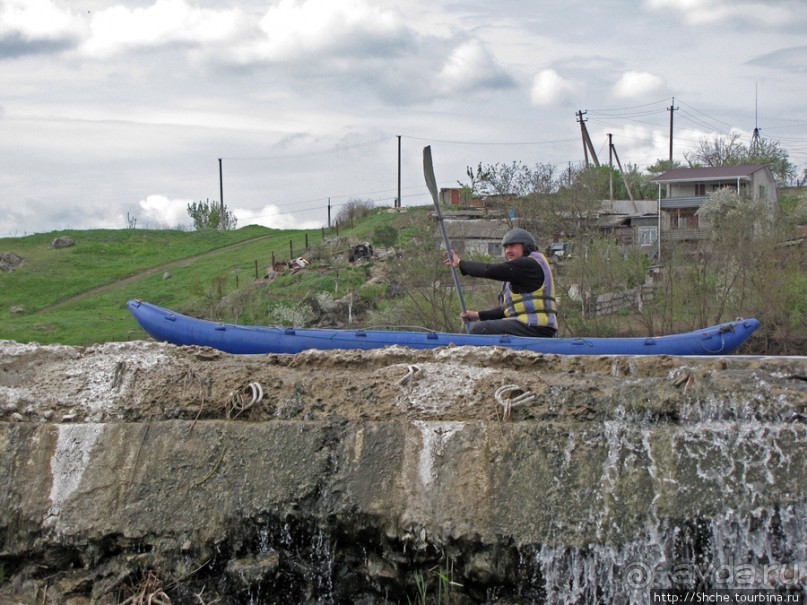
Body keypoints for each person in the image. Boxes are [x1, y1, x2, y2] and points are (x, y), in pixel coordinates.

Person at [443, 227, 557, 337]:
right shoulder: (520, 273)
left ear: (526, 247)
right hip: (531, 326)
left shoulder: (529, 265)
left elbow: (490, 270)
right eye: (506, 247)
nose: (508, 251)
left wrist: (460, 263)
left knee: (478, 330)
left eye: (512, 246)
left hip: (536, 327)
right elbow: (507, 310)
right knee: (479, 327)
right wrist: (478, 315)